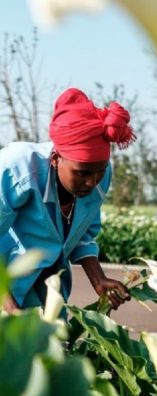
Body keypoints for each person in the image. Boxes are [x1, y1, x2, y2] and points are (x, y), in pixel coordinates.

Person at [0, 87, 136, 314]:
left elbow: (83, 231)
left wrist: (98, 278)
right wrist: (9, 307)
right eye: (82, 173)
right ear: (55, 159)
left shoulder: (100, 177)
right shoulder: (17, 170)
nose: (92, 183)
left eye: (99, 172)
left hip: (48, 282)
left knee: (53, 344)